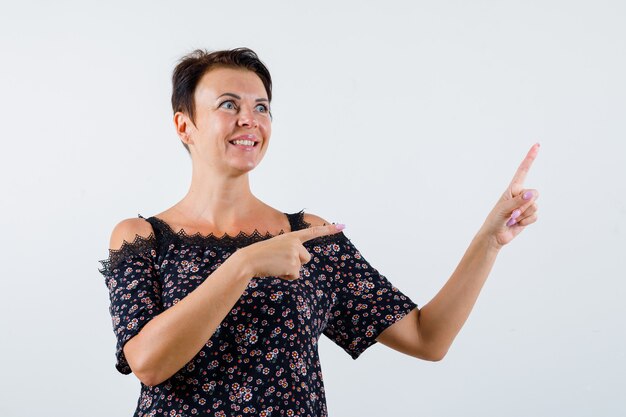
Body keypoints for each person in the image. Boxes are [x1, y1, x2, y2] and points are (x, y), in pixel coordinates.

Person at [98, 47, 540, 417]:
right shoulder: (142, 238)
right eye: (228, 104)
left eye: (261, 107)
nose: (249, 119)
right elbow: (150, 364)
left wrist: (489, 241)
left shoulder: (309, 236)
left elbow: (428, 338)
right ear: (184, 125)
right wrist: (245, 264)